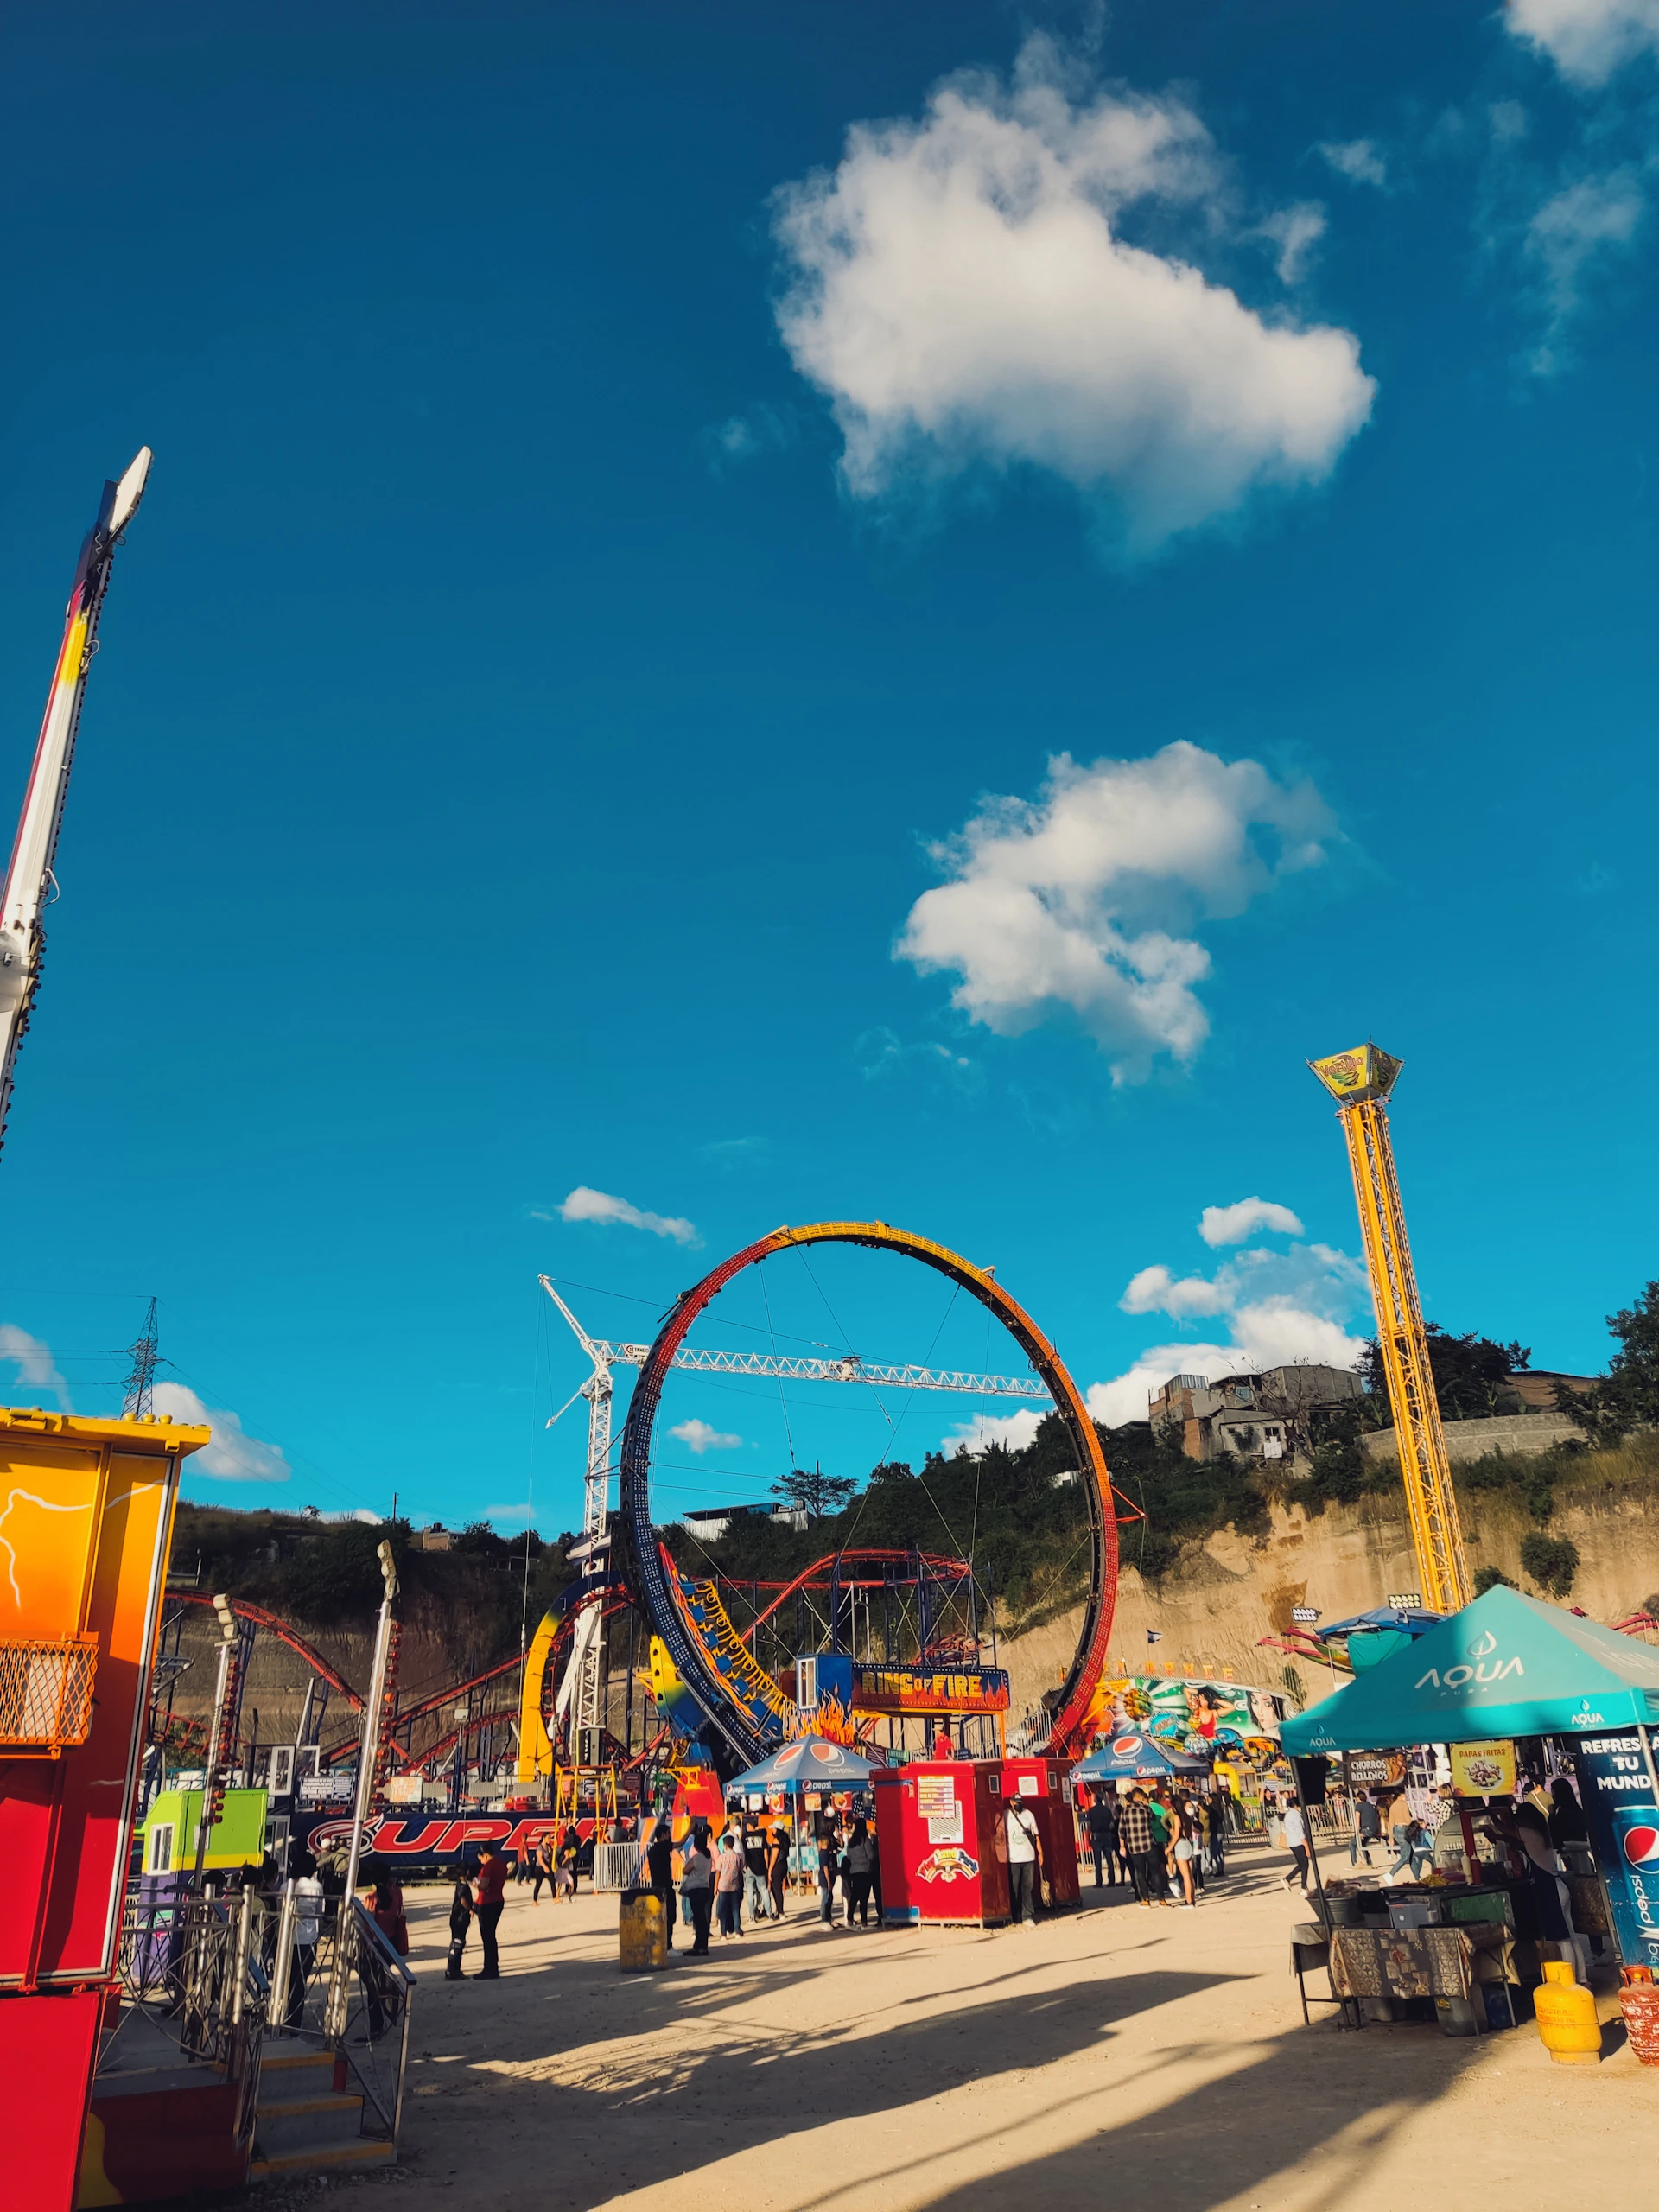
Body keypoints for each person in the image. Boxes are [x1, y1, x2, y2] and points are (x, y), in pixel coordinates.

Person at [287, 1853, 324, 2025]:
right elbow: (319, 1912)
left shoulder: (286, 1885)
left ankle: (280, 2016)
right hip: (308, 1937)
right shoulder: (316, 1887)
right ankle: (295, 2021)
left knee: (285, 1980)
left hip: (287, 1938)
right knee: (300, 1982)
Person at [1006, 1795, 1042, 1925]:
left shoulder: (1029, 1815)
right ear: (1011, 1802)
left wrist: (1040, 1853)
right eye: (1016, 1802)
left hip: (1029, 1856)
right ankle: (1015, 1915)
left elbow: (1036, 1835)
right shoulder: (1006, 1816)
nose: (1018, 1805)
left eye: (1020, 1802)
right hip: (1013, 1858)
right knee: (1014, 1888)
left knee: (1028, 1887)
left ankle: (1027, 1915)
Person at [1117, 1788, 1158, 1907]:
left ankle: (1144, 1899)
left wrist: (1122, 1846)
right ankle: (1161, 1899)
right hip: (1149, 1844)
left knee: (1139, 1872)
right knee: (1154, 1871)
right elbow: (1153, 1818)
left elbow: (1121, 1831)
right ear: (1140, 1797)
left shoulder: (1125, 1811)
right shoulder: (1146, 1808)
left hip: (1134, 1846)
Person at [474, 1844, 508, 1977]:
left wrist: (477, 1883)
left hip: (487, 1903)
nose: (481, 1862)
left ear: (486, 1855)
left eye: (481, 1859)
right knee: (491, 1936)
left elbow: (484, 1885)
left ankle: (489, 1968)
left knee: (487, 1938)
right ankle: (493, 1966)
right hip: (498, 1900)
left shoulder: (488, 1866)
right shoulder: (501, 1863)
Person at [680, 1824, 715, 1956]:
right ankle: (703, 1945)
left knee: (698, 1918)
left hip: (695, 1888)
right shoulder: (708, 1857)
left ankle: (698, 1946)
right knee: (703, 1918)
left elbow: (685, 1869)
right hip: (705, 1886)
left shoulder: (697, 1858)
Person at [1383, 1787, 1429, 1881]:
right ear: (1401, 1794)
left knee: (1410, 1854)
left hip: (1397, 1830)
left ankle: (1417, 1877)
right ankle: (1390, 1874)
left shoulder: (1392, 1806)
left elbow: (1391, 1823)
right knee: (1405, 1857)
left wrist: (1391, 1837)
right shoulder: (1403, 1804)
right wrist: (1417, 1825)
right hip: (1404, 1830)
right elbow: (1408, 1819)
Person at [645, 1820, 677, 1953]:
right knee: (669, 1917)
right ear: (663, 1835)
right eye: (669, 1833)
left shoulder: (652, 1850)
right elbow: (678, 1844)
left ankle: (660, 1945)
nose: (670, 1836)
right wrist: (690, 1828)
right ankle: (668, 1946)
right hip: (665, 1887)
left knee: (659, 1918)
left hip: (655, 1887)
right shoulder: (663, 1847)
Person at [843, 1819, 876, 1927]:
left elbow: (848, 1856)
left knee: (855, 1895)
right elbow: (871, 1856)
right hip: (865, 1870)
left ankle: (849, 1918)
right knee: (864, 1898)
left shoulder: (851, 1842)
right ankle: (864, 1921)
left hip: (854, 1871)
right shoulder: (865, 1840)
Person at [715, 1827, 746, 1939]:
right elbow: (740, 1869)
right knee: (735, 1909)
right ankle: (737, 1930)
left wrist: (715, 1886)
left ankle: (723, 1933)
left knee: (723, 1910)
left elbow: (718, 1872)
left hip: (723, 1886)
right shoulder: (737, 1857)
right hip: (734, 1886)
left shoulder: (721, 1858)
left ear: (725, 1845)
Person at [444, 1866, 474, 1981]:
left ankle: (455, 1969)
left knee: (457, 1944)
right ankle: (452, 1971)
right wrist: (470, 1909)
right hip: (460, 1918)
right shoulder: (463, 1886)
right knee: (457, 1944)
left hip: (456, 1918)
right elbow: (462, 1900)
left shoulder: (459, 1883)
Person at [1168, 1796, 1198, 1907]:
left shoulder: (1177, 1817)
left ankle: (1189, 1901)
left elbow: (1176, 1835)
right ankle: (1192, 1899)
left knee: (1185, 1876)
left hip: (1180, 1845)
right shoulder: (1187, 1816)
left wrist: (1169, 1848)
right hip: (1188, 1843)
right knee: (1190, 1875)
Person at [743, 1818, 773, 1923]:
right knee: (764, 1890)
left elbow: (743, 1852)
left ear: (750, 1826)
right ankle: (769, 1914)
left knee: (750, 1893)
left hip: (749, 1868)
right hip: (761, 1867)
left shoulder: (745, 1837)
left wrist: (744, 1865)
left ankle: (752, 1916)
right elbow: (766, 1853)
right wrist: (766, 1866)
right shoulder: (762, 1836)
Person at [1084, 1793, 1118, 1887]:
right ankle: (1111, 1881)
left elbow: (1089, 1826)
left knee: (1098, 1860)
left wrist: (1088, 1838)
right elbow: (1112, 1824)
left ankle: (1099, 1881)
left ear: (1095, 1799)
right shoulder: (1107, 1810)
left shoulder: (1091, 1811)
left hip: (1096, 1835)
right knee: (1109, 1859)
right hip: (1107, 1835)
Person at [1549, 1777, 1590, 1853]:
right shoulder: (1577, 1810)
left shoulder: (1562, 1814)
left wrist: (1551, 1816)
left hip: (1568, 1855)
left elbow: (1556, 1837)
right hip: (1583, 1854)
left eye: (1553, 1792)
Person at [816, 1821, 842, 1930]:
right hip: (827, 1869)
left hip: (833, 1868)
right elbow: (823, 1861)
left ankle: (829, 1917)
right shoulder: (822, 1841)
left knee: (829, 1896)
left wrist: (838, 1833)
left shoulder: (832, 1840)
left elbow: (841, 1845)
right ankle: (824, 1919)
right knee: (825, 1897)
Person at [1281, 1796, 1310, 1891]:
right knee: (1304, 1864)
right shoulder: (1295, 1816)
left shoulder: (1289, 1814)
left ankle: (1290, 1880)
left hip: (1292, 1842)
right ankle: (1303, 1886)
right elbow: (1300, 1832)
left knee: (1302, 1864)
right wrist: (1306, 1846)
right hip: (1298, 1842)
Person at [1352, 1790, 1382, 1867]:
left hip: (1366, 1829)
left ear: (1358, 1798)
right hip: (1374, 1828)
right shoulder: (1370, 1805)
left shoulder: (1358, 1806)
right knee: (1363, 1843)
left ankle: (1354, 1863)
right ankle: (1368, 1862)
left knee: (1352, 1844)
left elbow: (1357, 1819)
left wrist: (1358, 1831)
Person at [766, 1824, 790, 1920]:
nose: (772, 1831)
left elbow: (774, 1856)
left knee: (776, 1890)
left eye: (774, 1829)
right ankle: (779, 1910)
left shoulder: (776, 1841)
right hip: (784, 1864)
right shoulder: (785, 1840)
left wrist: (770, 1870)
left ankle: (780, 1911)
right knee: (777, 1888)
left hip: (777, 1866)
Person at [557, 1825, 582, 1899]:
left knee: (567, 1872)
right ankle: (575, 1889)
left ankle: (566, 1889)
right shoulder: (578, 1838)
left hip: (568, 1856)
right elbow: (580, 1845)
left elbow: (564, 1847)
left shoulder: (568, 1838)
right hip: (575, 1856)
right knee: (574, 1872)